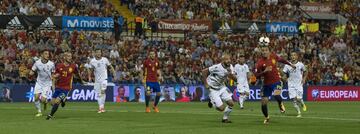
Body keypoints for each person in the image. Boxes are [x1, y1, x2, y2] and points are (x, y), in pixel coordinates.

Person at [254, 37, 295, 124]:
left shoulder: (273, 56)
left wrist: (290, 64)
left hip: (276, 81)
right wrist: (264, 71)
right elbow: (256, 76)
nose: (264, 52)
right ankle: (267, 117)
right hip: (266, 84)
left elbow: (282, 60)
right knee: (264, 102)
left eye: (266, 50)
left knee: (276, 95)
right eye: (263, 50)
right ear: (261, 51)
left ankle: (280, 104)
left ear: (268, 51)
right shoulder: (260, 63)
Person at [46, 52, 84, 120]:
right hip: (58, 87)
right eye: (68, 56)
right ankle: (63, 100)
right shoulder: (59, 66)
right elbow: (54, 75)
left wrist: (81, 81)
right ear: (65, 57)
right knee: (52, 103)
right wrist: (54, 76)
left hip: (66, 88)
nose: (70, 57)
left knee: (57, 101)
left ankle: (50, 116)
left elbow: (77, 74)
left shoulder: (73, 66)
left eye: (71, 56)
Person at [202, 54, 236, 123]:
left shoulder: (231, 67)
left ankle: (225, 118)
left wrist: (230, 74)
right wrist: (206, 84)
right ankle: (211, 101)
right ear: (223, 60)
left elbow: (235, 79)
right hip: (213, 88)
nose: (228, 61)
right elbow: (204, 72)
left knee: (231, 103)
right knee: (221, 108)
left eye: (229, 59)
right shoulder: (217, 67)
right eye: (226, 59)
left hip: (221, 87)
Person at [87, 49, 116, 113]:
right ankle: (101, 107)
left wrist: (114, 74)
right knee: (99, 94)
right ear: (95, 53)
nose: (99, 53)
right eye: (97, 52)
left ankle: (100, 108)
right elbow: (90, 69)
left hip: (104, 79)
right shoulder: (92, 61)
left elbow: (110, 67)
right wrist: (89, 77)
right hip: (97, 80)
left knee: (102, 91)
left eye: (100, 52)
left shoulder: (105, 59)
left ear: (101, 53)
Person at [29, 50, 55, 117]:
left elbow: (53, 74)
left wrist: (53, 83)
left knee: (43, 100)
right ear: (42, 55)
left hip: (47, 84)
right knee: (36, 97)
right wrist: (30, 73)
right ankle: (39, 112)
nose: (47, 55)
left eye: (48, 54)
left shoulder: (51, 64)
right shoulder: (37, 63)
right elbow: (32, 71)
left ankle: (45, 102)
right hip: (39, 83)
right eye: (45, 54)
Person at [283, 52, 308, 118]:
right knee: (294, 100)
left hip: (299, 84)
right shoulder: (287, 65)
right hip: (291, 84)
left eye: (294, 55)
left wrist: (304, 79)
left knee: (299, 98)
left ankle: (302, 103)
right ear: (290, 57)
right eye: (291, 55)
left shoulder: (301, 64)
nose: (293, 56)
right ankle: (299, 113)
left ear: (297, 56)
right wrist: (284, 78)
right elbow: (285, 74)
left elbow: (305, 71)